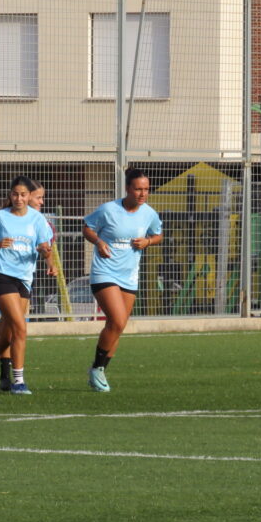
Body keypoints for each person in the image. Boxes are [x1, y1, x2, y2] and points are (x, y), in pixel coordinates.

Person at [0, 176, 54, 396]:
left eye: (23, 194)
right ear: (10, 195)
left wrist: (48, 260)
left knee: (7, 335)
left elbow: (45, 247)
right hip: (2, 275)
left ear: (29, 197)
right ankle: (18, 381)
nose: (19, 198)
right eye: (15, 194)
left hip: (24, 278)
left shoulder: (37, 219)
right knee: (20, 327)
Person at [81, 168, 163, 392]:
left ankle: (100, 371)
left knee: (118, 326)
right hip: (104, 272)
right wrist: (98, 242)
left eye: (146, 189)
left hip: (129, 276)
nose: (142, 194)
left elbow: (158, 234)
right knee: (117, 320)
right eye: (138, 189)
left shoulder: (148, 213)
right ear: (127, 188)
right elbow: (87, 228)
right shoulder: (109, 210)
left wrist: (147, 242)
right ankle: (96, 369)